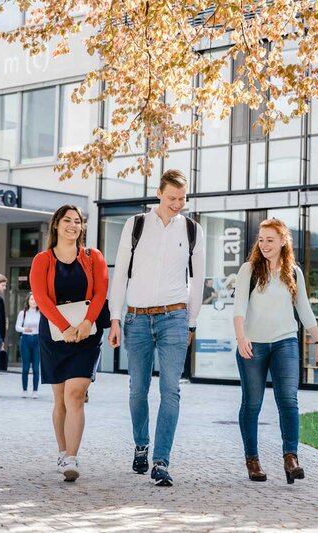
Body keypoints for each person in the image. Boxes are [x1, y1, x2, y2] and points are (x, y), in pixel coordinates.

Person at [108, 169, 206, 487]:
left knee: (170, 390)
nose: (177, 204)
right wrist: (115, 318)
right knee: (138, 390)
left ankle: (161, 461)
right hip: (136, 318)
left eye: (182, 199)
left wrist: (192, 322)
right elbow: (120, 274)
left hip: (174, 317)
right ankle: (141, 444)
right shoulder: (136, 225)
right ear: (159, 193)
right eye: (172, 198)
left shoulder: (192, 230)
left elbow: (198, 281)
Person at [233, 218, 318, 484]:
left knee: (288, 401)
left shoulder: (293, 272)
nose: (264, 245)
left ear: (283, 241)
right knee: (252, 404)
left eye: (270, 240)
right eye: (261, 240)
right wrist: (241, 338)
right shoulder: (249, 269)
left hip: (285, 342)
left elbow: (304, 308)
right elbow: (239, 307)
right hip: (253, 344)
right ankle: (252, 461)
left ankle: (290, 458)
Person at [30, 204, 108, 482]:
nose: (73, 225)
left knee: (75, 394)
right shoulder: (42, 259)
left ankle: (72, 457)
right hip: (54, 335)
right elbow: (41, 298)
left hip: (87, 334)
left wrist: (86, 323)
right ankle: (62, 452)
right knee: (60, 398)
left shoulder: (93, 256)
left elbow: (100, 292)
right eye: (67, 220)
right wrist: (64, 327)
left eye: (77, 221)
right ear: (56, 224)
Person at [16, 292, 42, 398]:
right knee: (25, 367)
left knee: (36, 368)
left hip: (37, 339)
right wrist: (24, 329)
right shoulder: (23, 313)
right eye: (31, 299)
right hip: (26, 339)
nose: (33, 301)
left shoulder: (41, 313)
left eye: (35, 299)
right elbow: (17, 327)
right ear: (28, 301)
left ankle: (35, 390)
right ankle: (24, 390)